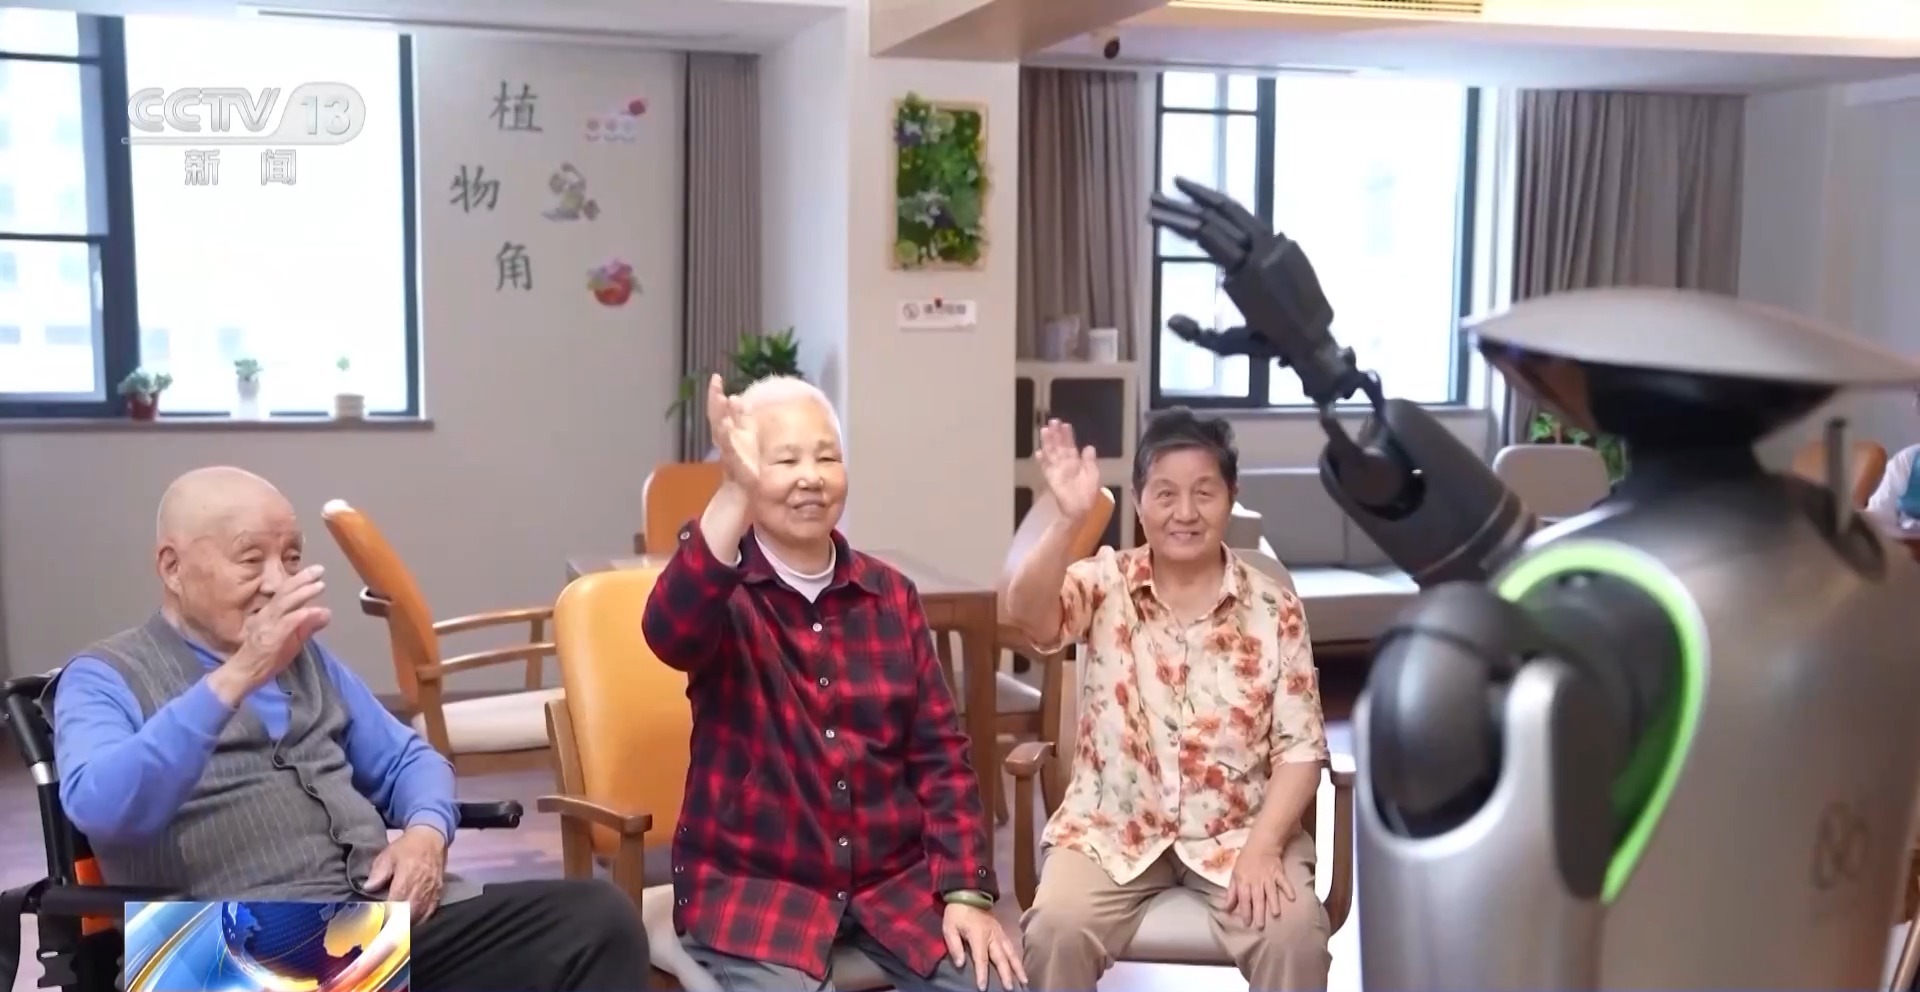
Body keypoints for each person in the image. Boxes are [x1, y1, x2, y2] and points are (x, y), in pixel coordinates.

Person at [50, 466, 651, 992]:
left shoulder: (306, 659)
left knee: (596, 921)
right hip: (220, 954)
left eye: (291, 558)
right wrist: (238, 675)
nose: (277, 581)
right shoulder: (103, 676)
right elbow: (104, 807)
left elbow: (409, 760)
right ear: (172, 567)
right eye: (251, 559)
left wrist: (425, 834)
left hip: (371, 932)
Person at [642, 374, 1025, 992]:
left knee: (996, 983)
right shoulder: (724, 592)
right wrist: (733, 494)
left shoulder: (889, 595)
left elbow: (939, 755)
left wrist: (965, 892)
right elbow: (669, 630)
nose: (811, 477)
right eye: (785, 460)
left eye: (827, 457)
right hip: (756, 888)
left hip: (888, 885)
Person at [1003, 411, 1333, 992]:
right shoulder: (1104, 581)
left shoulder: (1275, 608)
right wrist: (1070, 520)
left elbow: (1301, 751)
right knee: (1055, 930)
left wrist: (1263, 848)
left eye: (1204, 493)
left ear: (1231, 496)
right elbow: (1027, 612)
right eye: (1165, 494)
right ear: (1137, 502)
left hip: (1240, 831)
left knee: (1294, 936)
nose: (1185, 512)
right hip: (1111, 831)